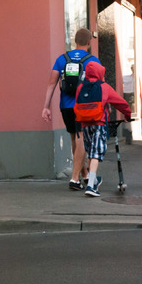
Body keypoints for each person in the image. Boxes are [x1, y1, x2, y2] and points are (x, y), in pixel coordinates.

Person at [42, 28, 101, 191]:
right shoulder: (93, 60)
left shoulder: (62, 59)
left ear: (75, 41)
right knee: (81, 139)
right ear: (89, 42)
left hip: (66, 106)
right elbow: (100, 85)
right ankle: (74, 179)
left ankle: (84, 175)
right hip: (84, 106)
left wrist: (46, 106)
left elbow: (51, 83)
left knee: (74, 138)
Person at [76, 61, 131, 197]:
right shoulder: (104, 87)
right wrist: (128, 115)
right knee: (96, 153)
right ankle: (90, 186)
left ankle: (92, 180)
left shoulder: (80, 87)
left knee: (91, 152)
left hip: (84, 123)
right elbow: (121, 103)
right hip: (99, 122)